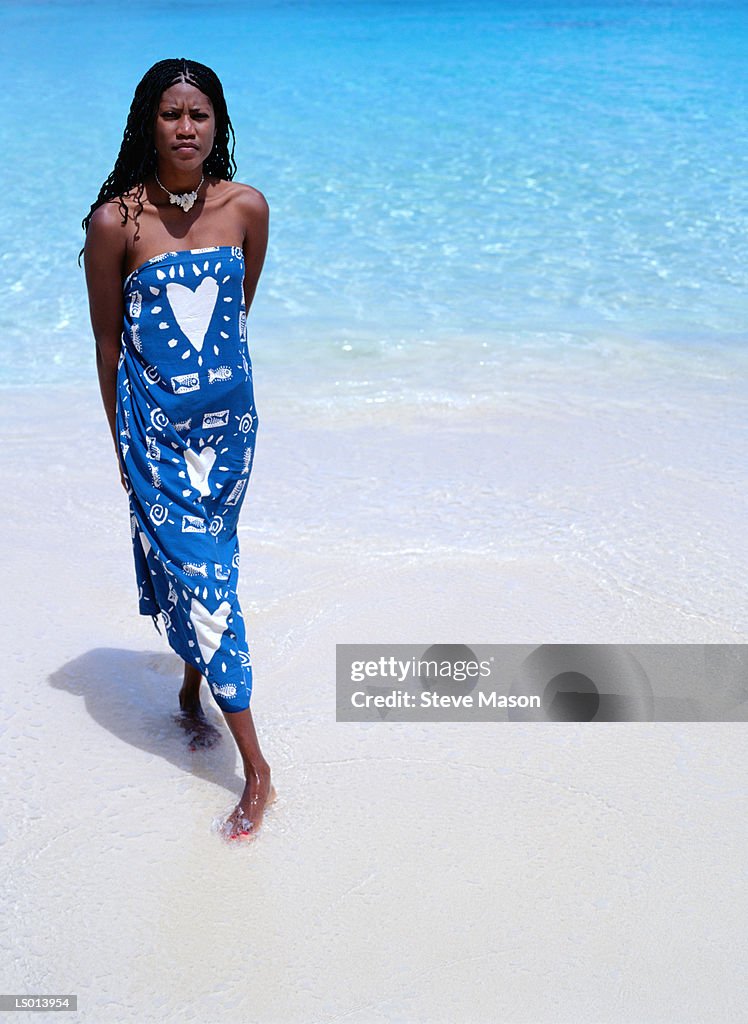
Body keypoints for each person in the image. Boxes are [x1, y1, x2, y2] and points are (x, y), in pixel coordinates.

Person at [80, 57, 274, 840]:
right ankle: (258, 769)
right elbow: (106, 341)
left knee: (212, 564)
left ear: (217, 123)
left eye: (199, 115)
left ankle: (192, 691)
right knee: (205, 579)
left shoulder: (247, 209)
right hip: (154, 435)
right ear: (147, 124)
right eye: (171, 115)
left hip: (230, 433)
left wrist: (214, 393)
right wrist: (121, 444)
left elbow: (238, 310)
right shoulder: (114, 224)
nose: (186, 128)